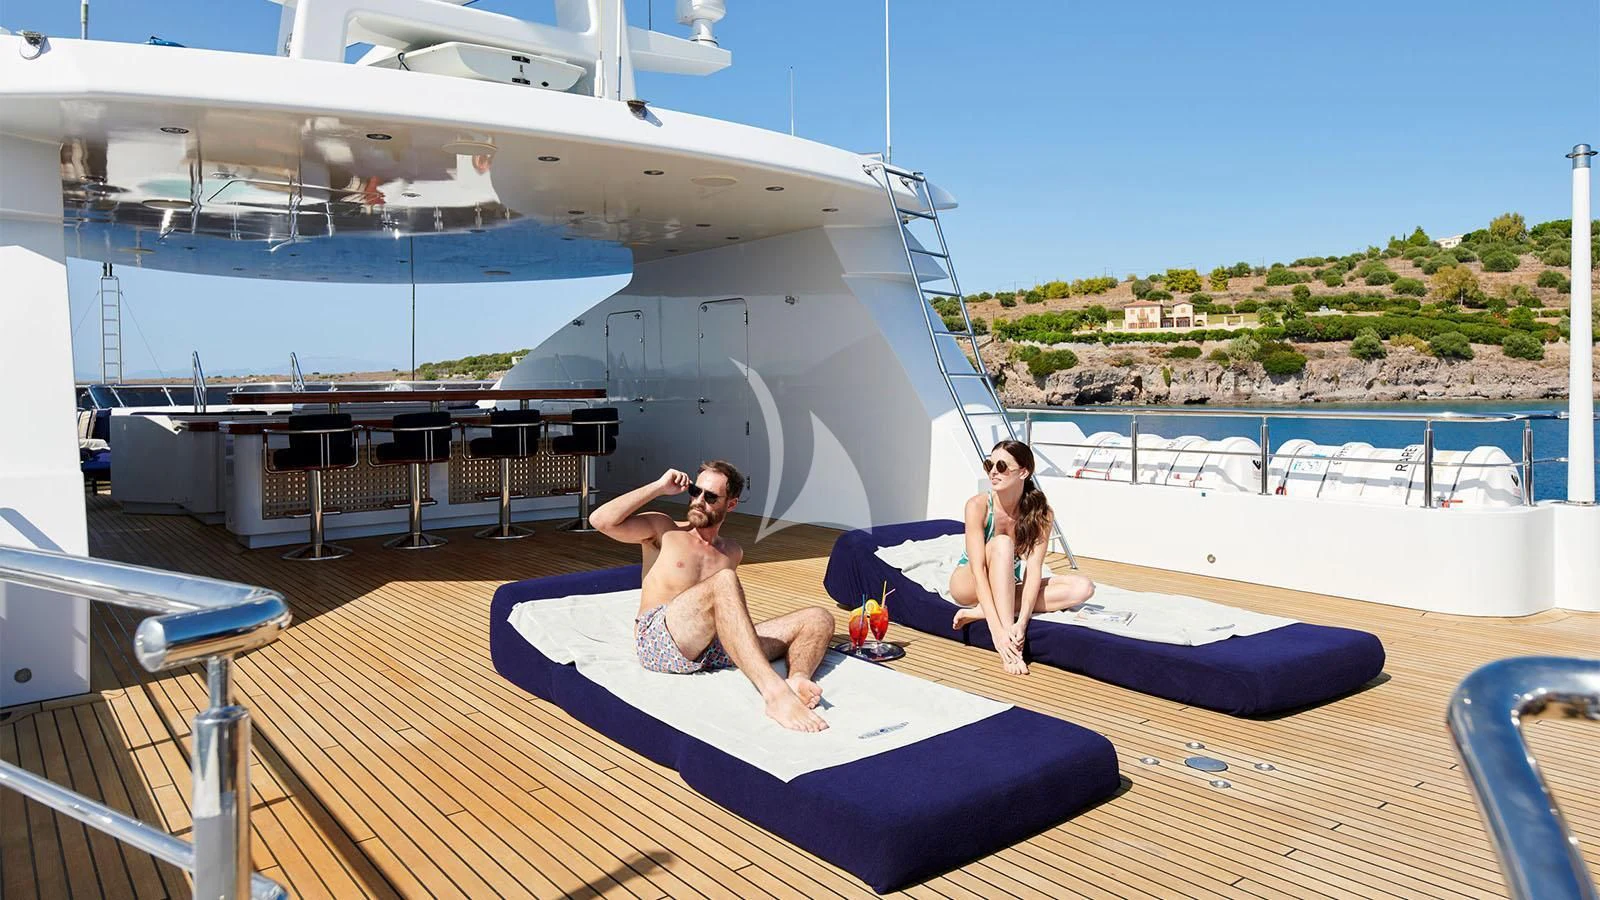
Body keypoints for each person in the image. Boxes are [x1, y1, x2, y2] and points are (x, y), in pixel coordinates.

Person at [589, 461, 836, 732]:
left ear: (730, 504)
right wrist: (659, 487)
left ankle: (797, 680)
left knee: (818, 617)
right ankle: (775, 694)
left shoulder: (732, 552)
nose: (698, 501)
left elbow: (724, 611)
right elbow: (600, 521)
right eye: (695, 491)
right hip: (659, 641)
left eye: (710, 497)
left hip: (710, 647)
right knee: (724, 580)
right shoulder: (664, 530)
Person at [949, 440, 1095, 675]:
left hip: (1005, 584)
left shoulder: (1041, 513)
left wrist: (1023, 621)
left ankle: (981, 611)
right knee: (1003, 543)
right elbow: (977, 570)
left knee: (1082, 587)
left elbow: (1033, 569)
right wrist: (1000, 633)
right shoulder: (978, 506)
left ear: (1024, 472)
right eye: (989, 465)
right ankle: (1010, 649)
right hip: (968, 582)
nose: (993, 471)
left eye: (1002, 466)